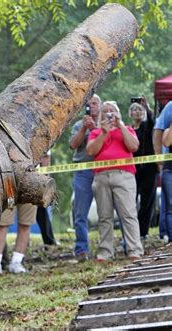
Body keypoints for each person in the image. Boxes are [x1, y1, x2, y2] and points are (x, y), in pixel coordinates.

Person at [86, 101, 143, 261]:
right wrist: (104, 133)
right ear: (101, 115)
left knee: (128, 214)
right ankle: (105, 252)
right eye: (105, 111)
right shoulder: (96, 132)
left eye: (112, 111)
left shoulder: (128, 129)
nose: (109, 113)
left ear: (117, 113)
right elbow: (91, 150)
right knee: (104, 216)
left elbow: (134, 146)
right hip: (101, 176)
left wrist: (121, 126)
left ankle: (134, 250)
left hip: (124, 175)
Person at [68, 94, 101, 261]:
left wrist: (96, 129)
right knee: (80, 213)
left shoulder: (106, 124)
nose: (92, 106)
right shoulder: (78, 125)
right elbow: (73, 145)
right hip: (83, 172)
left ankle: (106, 247)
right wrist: (84, 129)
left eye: (95, 103)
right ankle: (81, 249)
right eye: (89, 104)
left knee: (106, 211)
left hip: (102, 170)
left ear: (100, 106)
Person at [129, 99, 157, 239]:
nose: (138, 112)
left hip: (149, 169)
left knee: (147, 201)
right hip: (132, 170)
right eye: (135, 109)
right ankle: (132, 231)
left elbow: (154, 121)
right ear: (130, 113)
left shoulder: (147, 126)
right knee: (130, 201)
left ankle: (143, 232)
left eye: (141, 109)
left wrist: (147, 107)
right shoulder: (128, 129)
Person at [0, 204, 37, 275]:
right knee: (2, 223)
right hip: (9, 193)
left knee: (26, 223)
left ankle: (17, 262)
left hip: (30, 193)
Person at [153, 101, 172, 241]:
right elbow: (158, 132)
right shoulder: (170, 106)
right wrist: (159, 161)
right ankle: (167, 235)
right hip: (169, 166)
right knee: (169, 205)